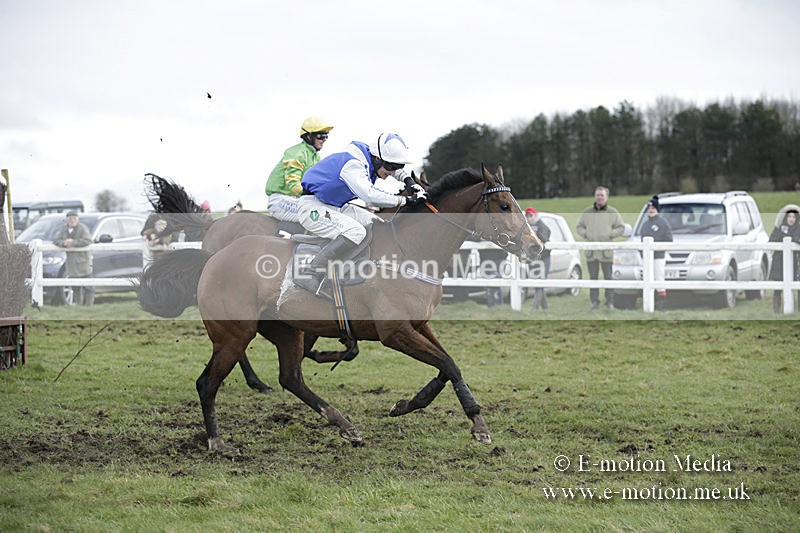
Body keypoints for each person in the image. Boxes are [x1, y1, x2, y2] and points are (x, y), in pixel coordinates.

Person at [295, 132, 426, 293]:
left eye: (397, 167)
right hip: (312, 207)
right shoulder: (353, 165)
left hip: (335, 206)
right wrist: (405, 200)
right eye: (391, 167)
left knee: (379, 224)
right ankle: (311, 273)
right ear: (377, 159)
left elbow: (393, 168)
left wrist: (408, 181)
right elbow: (369, 195)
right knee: (356, 232)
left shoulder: (372, 157)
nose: (392, 172)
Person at [265, 116, 334, 223]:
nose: (324, 139)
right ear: (308, 137)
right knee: (317, 217)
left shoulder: (316, 156)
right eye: (320, 136)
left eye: (326, 136)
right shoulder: (297, 153)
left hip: (297, 200)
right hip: (281, 200)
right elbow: (293, 185)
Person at [575, 185, 626, 309]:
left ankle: (610, 302)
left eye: (602, 195)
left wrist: (609, 234)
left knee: (608, 277)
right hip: (591, 253)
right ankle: (594, 301)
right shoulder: (587, 212)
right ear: (595, 196)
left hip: (606, 252)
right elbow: (579, 227)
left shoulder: (612, 212)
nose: (599, 197)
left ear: (607, 197)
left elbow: (621, 227)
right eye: (597, 195)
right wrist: (586, 234)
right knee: (593, 278)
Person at [52, 211, 94, 306]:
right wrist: (64, 243)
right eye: (70, 218)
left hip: (83, 262)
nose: (72, 220)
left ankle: (89, 306)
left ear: (77, 219)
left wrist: (73, 242)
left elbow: (88, 240)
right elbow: (55, 240)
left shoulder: (82, 228)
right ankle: (79, 305)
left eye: (74, 218)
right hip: (71, 264)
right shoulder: (64, 229)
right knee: (75, 287)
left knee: (89, 286)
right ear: (66, 219)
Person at [640, 196, 673, 312]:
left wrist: (659, 248)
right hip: (647, 258)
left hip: (658, 257)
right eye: (649, 208)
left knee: (659, 279)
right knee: (648, 279)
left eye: (653, 208)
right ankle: (650, 303)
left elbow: (669, 239)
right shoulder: (644, 225)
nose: (651, 210)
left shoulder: (663, 223)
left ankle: (662, 304)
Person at [768, 205, 800, 313]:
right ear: (786, 217)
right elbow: (771, 241)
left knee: (797, 286)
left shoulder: (798, 229)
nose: (791, 219)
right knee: (777, 288)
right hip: (778, 262)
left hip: (793, 262)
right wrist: (782, 236)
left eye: (794, 217)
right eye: (789, 217)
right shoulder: (779, 228)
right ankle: (776, 311)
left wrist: (791, 239)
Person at [525, 207, 551, 310]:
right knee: (537, 284)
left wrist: (533, 235)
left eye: (530, 215)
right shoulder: (526, 227)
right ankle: (546, 308)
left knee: (540, 283)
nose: (528, 218)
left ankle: (534, 308)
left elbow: (544, 238)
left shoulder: (542, 225)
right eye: (527, 216)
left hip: (543, 259)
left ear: (535, 216)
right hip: (532, 259)